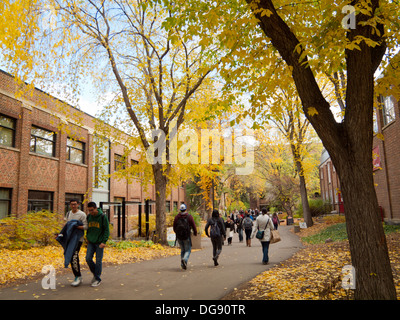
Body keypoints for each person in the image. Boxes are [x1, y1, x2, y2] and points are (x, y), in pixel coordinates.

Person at [86, 201, 110, 287]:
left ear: (96, 208)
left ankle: (97, 279)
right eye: (89, 210)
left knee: (98, 260)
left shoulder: (103, 216)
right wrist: (87, 237)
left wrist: (104, 242)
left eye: (92, 210)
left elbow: (106, 230)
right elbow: (88, 228)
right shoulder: (89, 216)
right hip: (91, 242)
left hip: (99, 243)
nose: (91, 212)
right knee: (88, 258)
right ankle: (96, 275)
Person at [65, 199, 87, 287]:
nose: (73, 206)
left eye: (75, 204)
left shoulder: (82, 214)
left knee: (74, 256)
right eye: (71, 204)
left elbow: (86, 226)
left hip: (78, 239)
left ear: (78, 204)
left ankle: (77, 276)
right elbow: (67, 226)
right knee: (70, 256)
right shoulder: (68, 213)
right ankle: (78, 276)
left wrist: (76, 226)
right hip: (70, 239)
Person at [173, 204, 197, 270]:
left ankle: (182, 264)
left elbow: (174, 226)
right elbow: (193, 225)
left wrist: (177, 233)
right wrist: (195, 233)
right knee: (188, 250)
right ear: (186, 209)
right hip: (186, 236)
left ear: (180, 210)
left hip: (179, 236)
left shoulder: (177, 217)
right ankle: (184, 260)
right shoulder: (189, 216)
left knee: (182, 250)